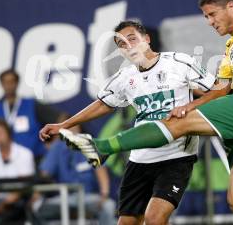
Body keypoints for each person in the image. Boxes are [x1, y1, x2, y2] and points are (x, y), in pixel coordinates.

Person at [41, 0, 233, 225]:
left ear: (231, 6)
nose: (209, 22)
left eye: (212, 14)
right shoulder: (230, 48)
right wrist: (192, 106)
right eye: (206, 17)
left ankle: (103, 147)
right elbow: (220, 90)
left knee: (177, 128)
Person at [42, 20, 216, 225]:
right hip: (140, 159)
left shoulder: (179, 62)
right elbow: (103, 104)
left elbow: (217, 91)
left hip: (176, 156)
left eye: (132, 39)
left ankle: (102, 147)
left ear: (147, 39)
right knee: (127, 223)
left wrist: (192, 106)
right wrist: (64, 125)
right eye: (121, 44)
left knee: (154, 219)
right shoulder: (125, 77)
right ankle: (102, 148)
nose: (128, 46)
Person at [37, 124, 116, 224]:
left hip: (87, 197)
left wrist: (104, 194)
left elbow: (101, 170)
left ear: (80, 130)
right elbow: (44, 174)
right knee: (37, 208)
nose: (71, 132)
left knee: (108, 206)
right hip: (63, 198)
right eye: (67, 129)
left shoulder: (88, 145)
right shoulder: (57, 147)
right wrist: (37, 194)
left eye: (74, 127)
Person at [0, 69, 67, 159]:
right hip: (6, 161)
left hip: (34, 159)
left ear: (17, 83)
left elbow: (61, 117)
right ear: (1, 84)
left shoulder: (31, 104)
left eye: (11, 81)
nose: (9, 85)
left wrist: (53, 143)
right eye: (5, 82)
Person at [0, 119, 35, 224]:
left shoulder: (25, 154)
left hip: (18, 205)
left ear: (9, 134)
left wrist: (2, 206)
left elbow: (23, 187)